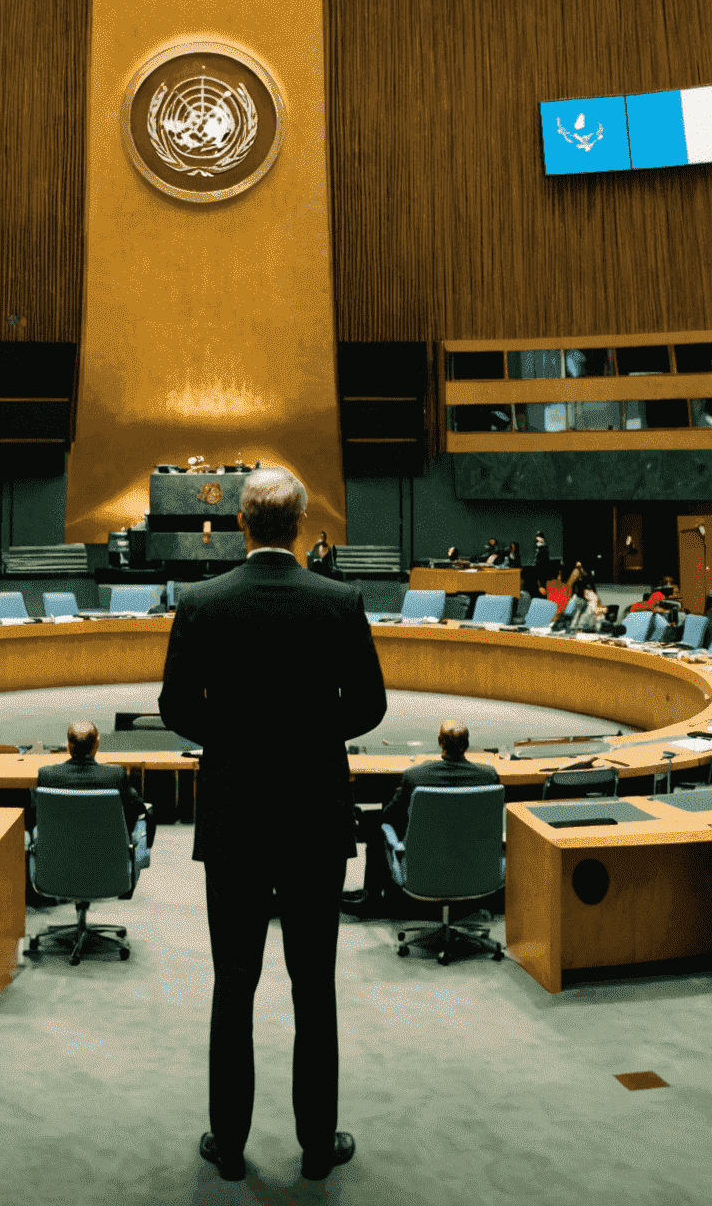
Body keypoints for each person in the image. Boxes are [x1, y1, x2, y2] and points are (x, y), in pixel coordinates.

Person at [159, 466, 386, 1183]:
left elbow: (174, 707)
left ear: (241, 524)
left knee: (234, 985)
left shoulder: (201, 602)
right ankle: (317, 1148)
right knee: (313, 988)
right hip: (316, 816)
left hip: (233, 816)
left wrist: (232, 740)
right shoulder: (339, 601)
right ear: (302, 525)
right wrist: (314, 737)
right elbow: (370, 705)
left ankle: (229, 1148)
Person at [356, 720, 500, 912]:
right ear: (466, 745)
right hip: (474, 872)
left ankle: (372, 901)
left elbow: (389, 815)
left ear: (440, 742)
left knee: (377, 827)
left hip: (424, 873)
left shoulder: (415, 776)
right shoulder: (488, 776)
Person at [34, 720, 155, 865]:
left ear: (68, 746)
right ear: (97, 744)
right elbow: (138, 809)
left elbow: (35, 814)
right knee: (148, 811)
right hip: (108, 865)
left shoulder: (47, 775)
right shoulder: (116, 775)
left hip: (59, 866)